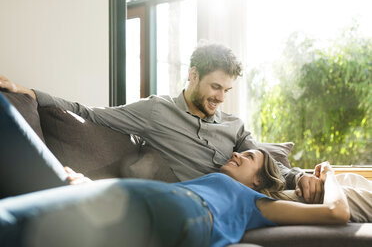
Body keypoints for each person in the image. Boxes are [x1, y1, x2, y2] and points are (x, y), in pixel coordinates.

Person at [0, 42, 323, 203]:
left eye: (227, 90)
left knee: (342, 191)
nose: (220, 98)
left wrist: (301, 177)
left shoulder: (234, 126)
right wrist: (26, 92)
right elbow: (89, 112)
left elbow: (264, 163)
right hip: (201, 203)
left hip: (252, 200)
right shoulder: (156, 112)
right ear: (193, 75)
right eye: (215, 87)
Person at [0, 148, 350, 247]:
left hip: (178, 210)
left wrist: (329, 174)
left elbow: (337, 212)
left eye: (250, 158)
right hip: (157, 209)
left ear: (259, 181)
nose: (239, 155)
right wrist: (93, 184)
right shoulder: (206, 182)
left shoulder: (254, 202)